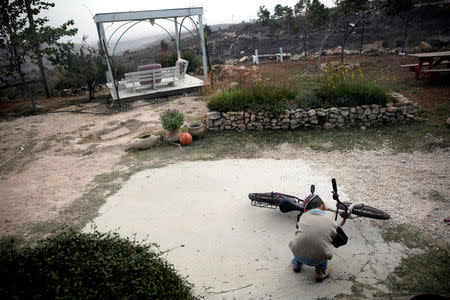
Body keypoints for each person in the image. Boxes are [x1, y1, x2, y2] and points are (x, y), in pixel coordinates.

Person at [288, 194, 348, 282]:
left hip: (297, 253)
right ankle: (320, 272)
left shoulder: (303, 217)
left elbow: (298, 230)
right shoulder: (331, 221)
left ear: (306, 210)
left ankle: (296, 265)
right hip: (317, 259)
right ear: (323, 205)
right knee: (322, 248)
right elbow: (343, 240)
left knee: (302, 243)